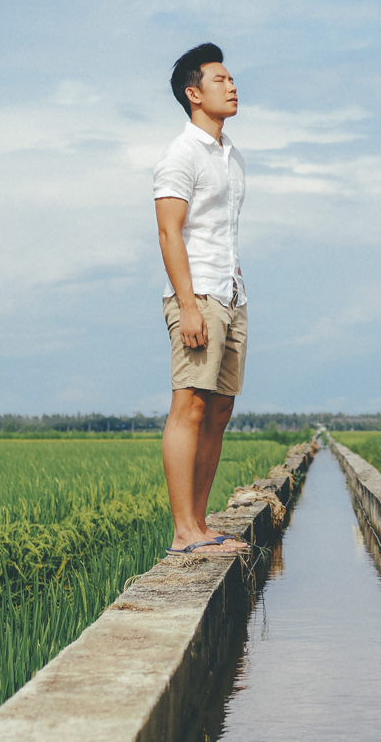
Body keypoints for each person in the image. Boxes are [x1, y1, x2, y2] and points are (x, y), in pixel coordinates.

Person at [153, 43, 250, 555]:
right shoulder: (181, 154)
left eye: (232, 79)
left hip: (231, 294)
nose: (232, 86)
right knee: (189, 404)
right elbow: (169, 233)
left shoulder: (232, 156)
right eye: (220, 79)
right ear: (194, 93)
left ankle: (201, 523)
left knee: (219, 409)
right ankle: (183, 532)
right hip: (199, 295)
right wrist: (188, 306)